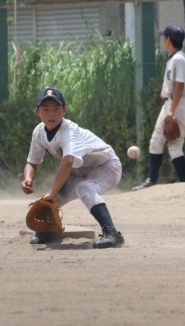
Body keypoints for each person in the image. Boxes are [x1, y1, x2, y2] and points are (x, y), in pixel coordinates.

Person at [21, 87, 125, 247]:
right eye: (46, 109)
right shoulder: (39, 132)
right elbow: (32, 162)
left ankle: (112, 233)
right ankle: (48, 229)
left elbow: (68, 161)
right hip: (79, 171)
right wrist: (28, 178)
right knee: (52, 199)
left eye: (56, 109)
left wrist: (53, 193)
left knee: (84, 188)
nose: (51, 114)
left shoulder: (69, 131)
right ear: (37, 112)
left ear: (64, 110)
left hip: (107, 166)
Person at [133, 25, 185, 190]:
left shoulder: (179, 59)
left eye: (164, 37)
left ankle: (158, 181)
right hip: (174, 103)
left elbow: (180, 85)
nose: (162, 40)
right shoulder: (175, 58)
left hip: (177, 104)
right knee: (164, 144)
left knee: (168, 144)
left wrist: (171, 111)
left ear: (169, 40)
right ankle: (165, 182)